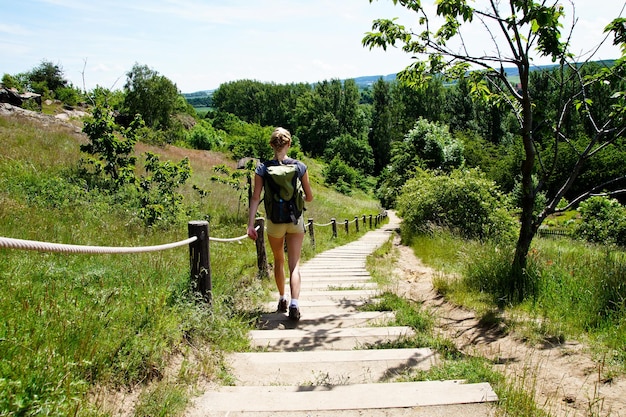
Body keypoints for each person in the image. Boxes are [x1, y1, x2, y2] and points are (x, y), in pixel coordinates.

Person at [247, 127, 314, 321]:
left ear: (271, 145)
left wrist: (250, 224)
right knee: (294, 265)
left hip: (274, 222)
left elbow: (254, 198)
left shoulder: (262, 168)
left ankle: (282, 298)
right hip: (295, 220)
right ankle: (295, 304)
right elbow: (309, 197)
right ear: (288, 144)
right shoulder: (300, 167)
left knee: (278, 260)